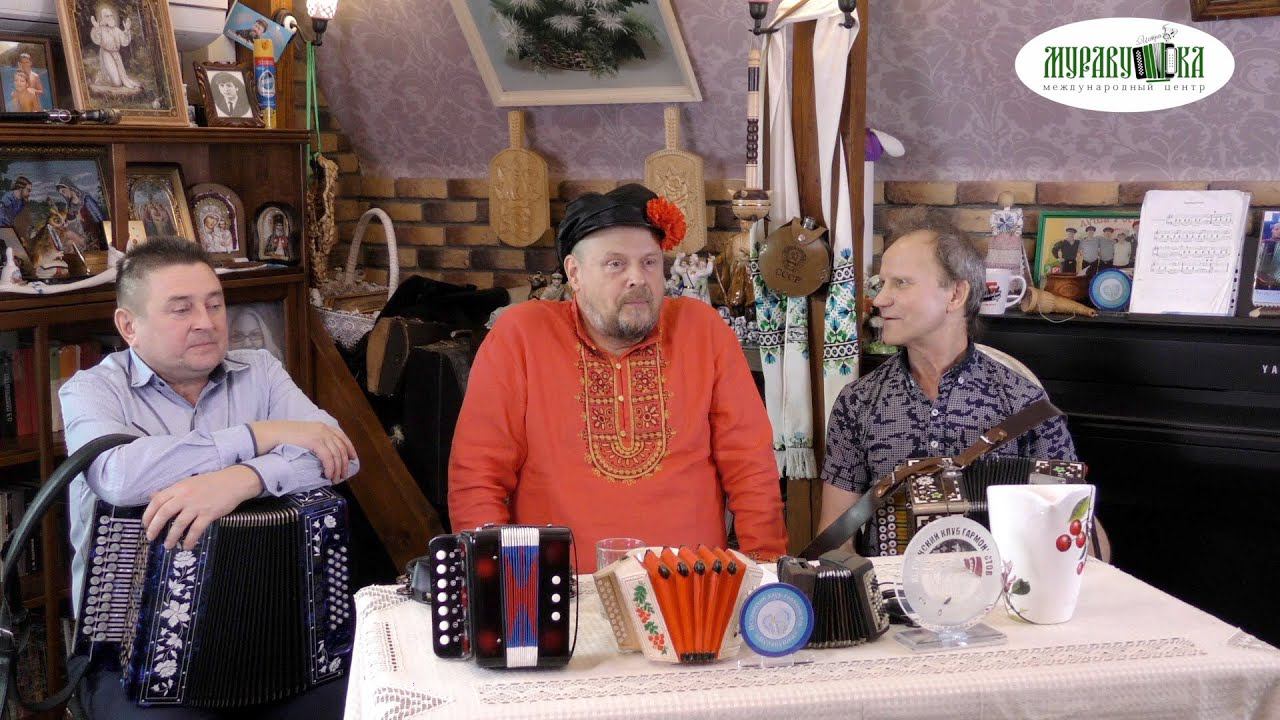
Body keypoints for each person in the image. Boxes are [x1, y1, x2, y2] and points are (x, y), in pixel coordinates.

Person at [59, 238, 358, 719]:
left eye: (214, 304)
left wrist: (243, 479)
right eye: (181, 309)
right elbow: (116, 474)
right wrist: (258, 435)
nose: (206, 321)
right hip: (130, 655)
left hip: (275, 635)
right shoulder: (92, 390)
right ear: (129, 326)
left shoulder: (261, 371)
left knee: (362, 700)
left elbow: (339, 454)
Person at [449, 183, 787, 569]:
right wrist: (497, 583)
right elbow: (478, 476)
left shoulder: (702, 329)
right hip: (564, 590)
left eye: (649, 263)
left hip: (692, 589)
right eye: (615, 264)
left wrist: (765, 571)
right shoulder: (521, 335)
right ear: (574, 274)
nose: (637, 278)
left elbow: (750, 465)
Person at [817, 212, 1076, 544]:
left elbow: (1076, 532)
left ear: (955, 294)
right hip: (889, 579)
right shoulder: (857, 402)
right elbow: (834, 542)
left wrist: (1079, 530)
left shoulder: (1026, 404)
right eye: (882, 284)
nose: (879, 299)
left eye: (901, 283)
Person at [88, 2, 142, 92]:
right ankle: (103, 76)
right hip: (106, 54)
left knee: (122, 80)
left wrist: (127, 30)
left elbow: (124, 42)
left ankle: (106, 76)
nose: (110, 18)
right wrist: (97, 28)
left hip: (116, 55)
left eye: (111, 15)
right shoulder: (100, 29)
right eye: (107, 16)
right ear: (103, 18)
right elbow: (96, 40)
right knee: (117, 83)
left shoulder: (116, 30)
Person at [56, 176, 107, 249]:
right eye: (61, 193)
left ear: (69, 187)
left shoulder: (86, 199)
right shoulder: (70, 205)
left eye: (63, 191)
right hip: (80, 233)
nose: (63, 195)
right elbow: (70, 221)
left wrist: (103, 236)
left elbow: (99, 217)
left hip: (93, 233)